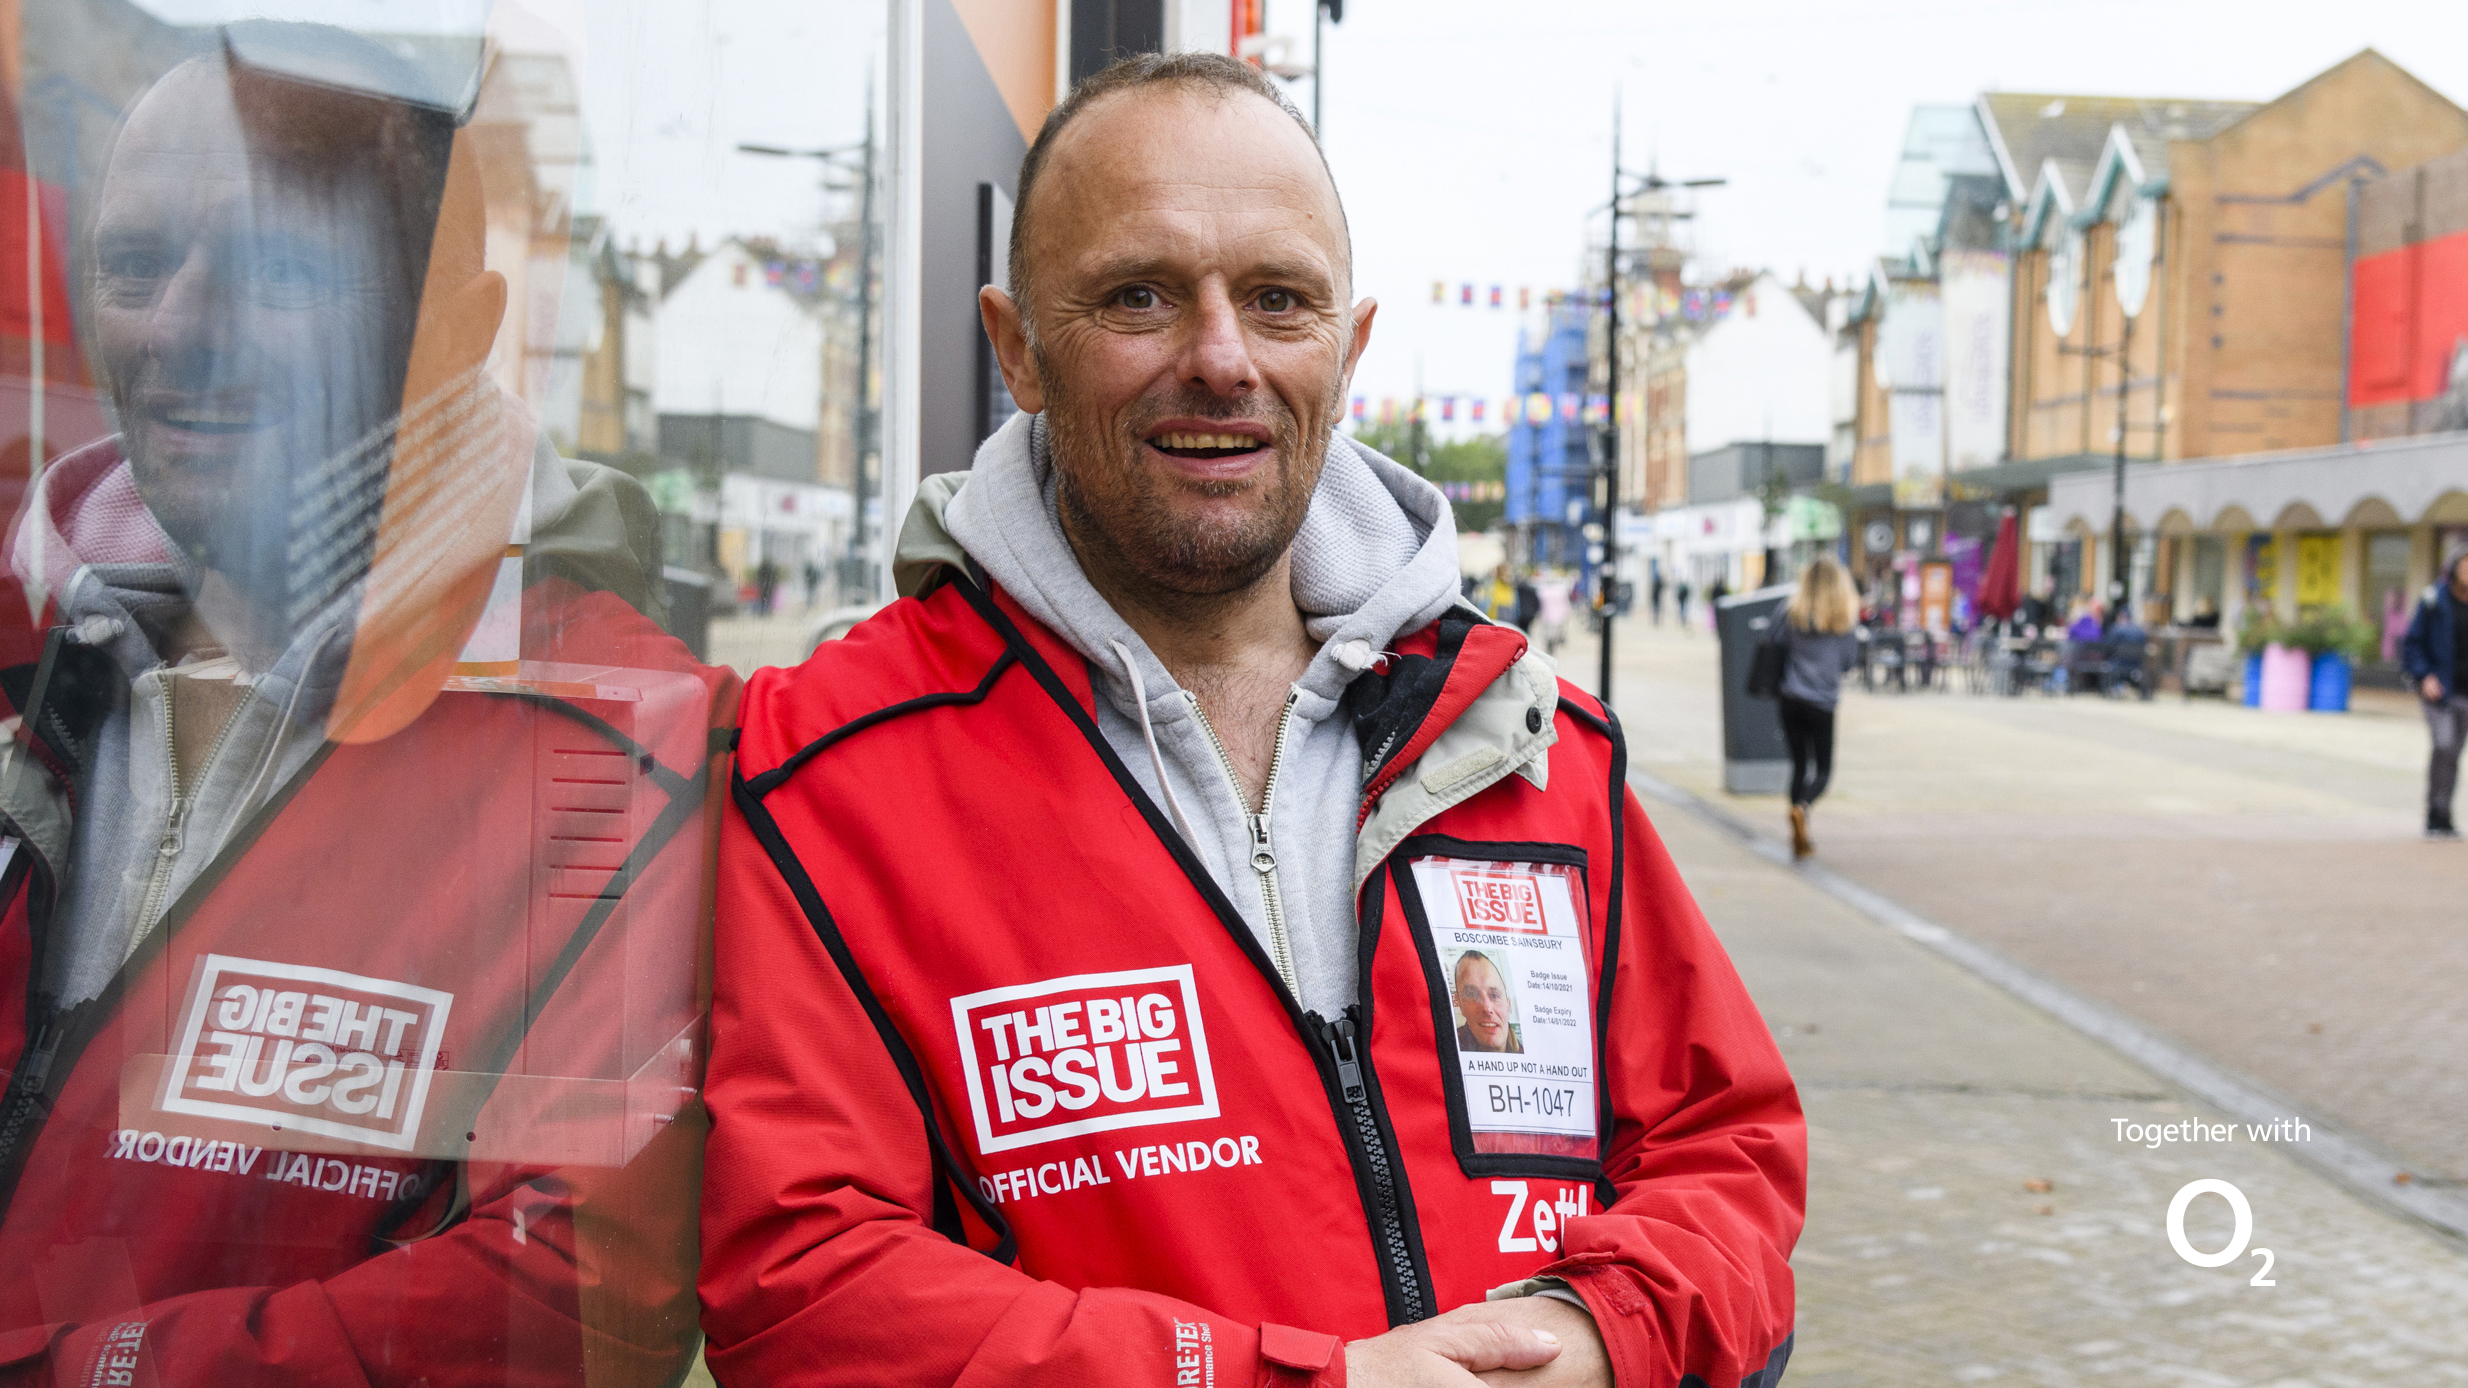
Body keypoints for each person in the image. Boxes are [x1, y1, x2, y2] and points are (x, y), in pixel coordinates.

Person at [700, 52, 1802, 1388]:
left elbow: (1724, 1156)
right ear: (1017, 349)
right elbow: (806, 1289)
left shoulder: (1529, 740)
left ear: (1348, 347)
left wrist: (1602, 1331)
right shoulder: (829, 769)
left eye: (1278, 299)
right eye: (1140, 295)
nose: (1220, 358)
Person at [0, 25, 729, 1386]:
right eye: (137, 266)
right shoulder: (33, 660)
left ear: (458, 331)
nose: (181, 330)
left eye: (281, 268)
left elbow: (580, 1301)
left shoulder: (627, 733)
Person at [1772, 557, 1862, 859]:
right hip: (1822, 702)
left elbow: (1774, 643)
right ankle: (1803, 808)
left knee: (1799, 765)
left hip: (1790, 699)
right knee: (1822, 771)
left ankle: (1799, 830)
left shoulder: (1790, 611)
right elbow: (1849, 663)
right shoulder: (1844, 618)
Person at [2400, 541, 2468, 839]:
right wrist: (2424, 675)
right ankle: (2434, 811)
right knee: (2443, 744)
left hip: (2465, 691)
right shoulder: (2433, 600)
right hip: (2439, 690)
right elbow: (2412, 643)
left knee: (2453, 752)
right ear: (2454, 568)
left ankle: (2444, 813)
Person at [1450, 951, 1523, 1053]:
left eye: (1494, 995)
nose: (1487, 1008)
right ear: (1460, 1004)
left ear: (1508, 1006)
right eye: (1472, 995)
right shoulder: (1448, 1048)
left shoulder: (1533, 1052)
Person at [1532, 568, 1573, 656]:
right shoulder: (1560, 592)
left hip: (1546, 615)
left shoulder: (1543, 591)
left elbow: (1539, 604)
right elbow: (1565, 604)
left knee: (1547, 633)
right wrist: (1566, 613)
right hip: (1558, 616)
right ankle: (1553, 646)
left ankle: (1549, 645)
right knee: (1555, 633)